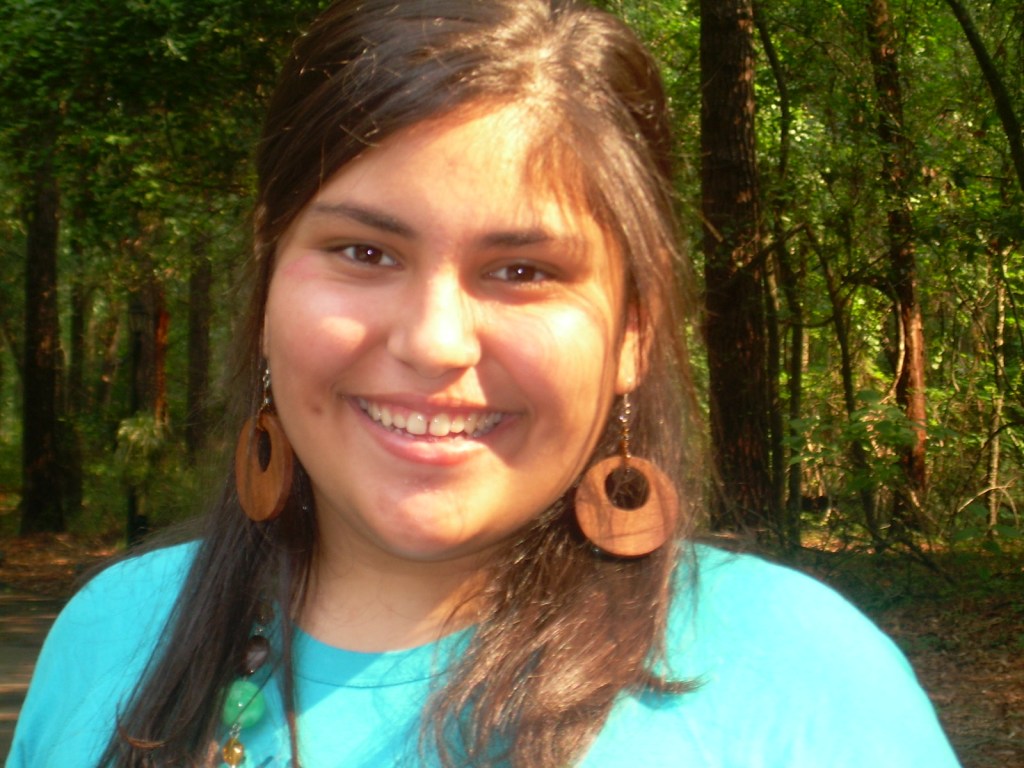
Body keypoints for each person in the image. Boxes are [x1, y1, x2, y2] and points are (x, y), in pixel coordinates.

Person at [8, 1, 960, 766]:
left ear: (634, 326)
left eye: (522, 270)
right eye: (364, 251)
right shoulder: (112, 636)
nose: (433, 343)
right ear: (266, 278)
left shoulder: (799, 681)